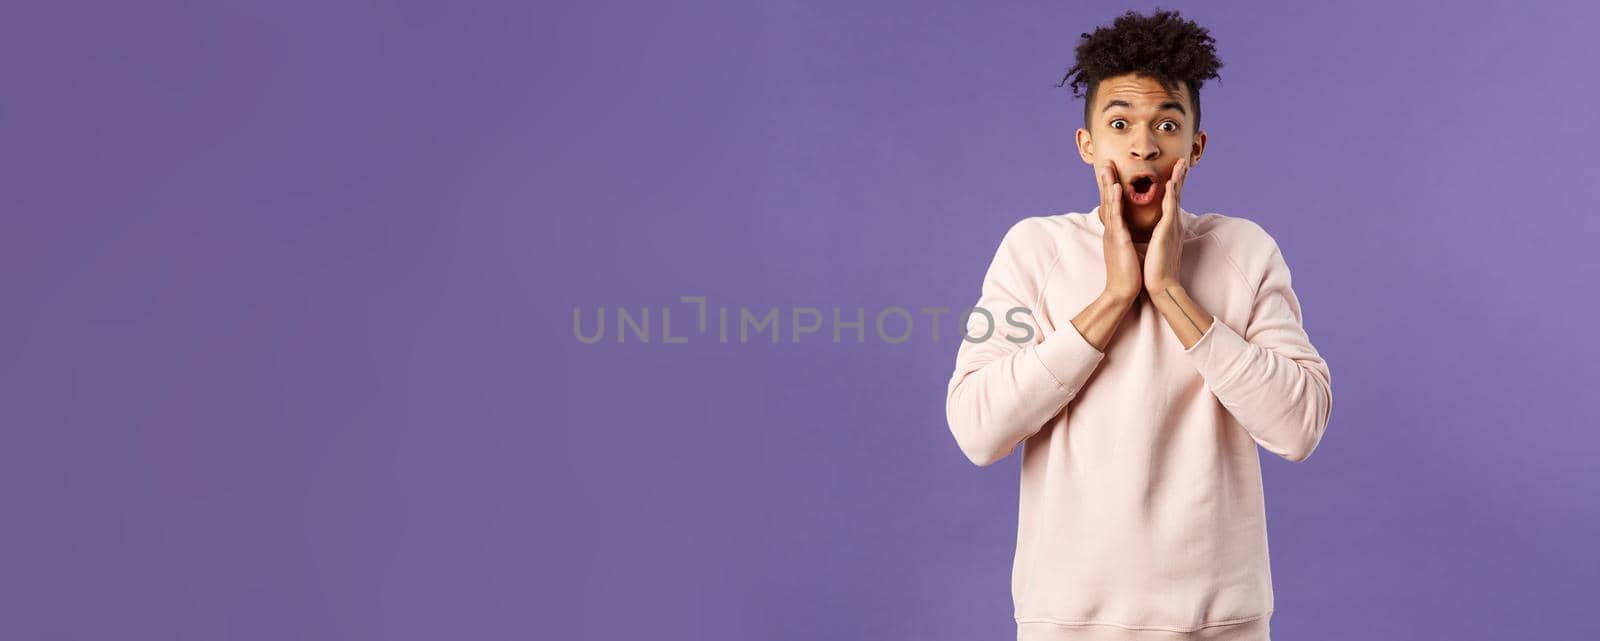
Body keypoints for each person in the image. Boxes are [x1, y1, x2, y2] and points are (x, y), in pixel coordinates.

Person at [944, 9, 1333, 641]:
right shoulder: (1033, 250)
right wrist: (1116, 296)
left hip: (1220, 622)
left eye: (1167, 125)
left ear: (1195, 148)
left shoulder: (1245, 249)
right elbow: (977, 429)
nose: (1143, 145)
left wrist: (1170, 290)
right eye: (1119, 123)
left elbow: (1299, 427)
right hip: (1067, 620)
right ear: (1087, 144)